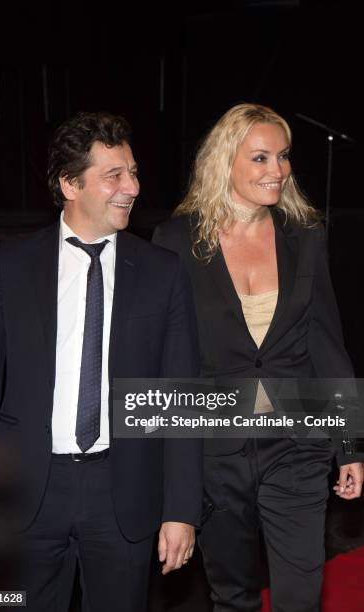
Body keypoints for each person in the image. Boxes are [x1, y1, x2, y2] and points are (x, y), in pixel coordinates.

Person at [0, 111, 203, 612]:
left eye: (133, 172)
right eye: (114, 175)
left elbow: (179, 399)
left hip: (124, 496)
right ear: (70, 184)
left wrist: (182, 511)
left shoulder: (163, 273)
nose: (131, 186)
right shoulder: (10, 266)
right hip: (24, 495)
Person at [153, 103, 364, 612]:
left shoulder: (305, 235)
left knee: (298, 594)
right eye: (261, 158)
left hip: (296, 443)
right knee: (233, 594)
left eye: (284, 157)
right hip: (215, 449)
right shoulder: (177, 242)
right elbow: (168, 361)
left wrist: (350, 443)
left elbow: (327, 344)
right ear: (226, 162)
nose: (279, 170)